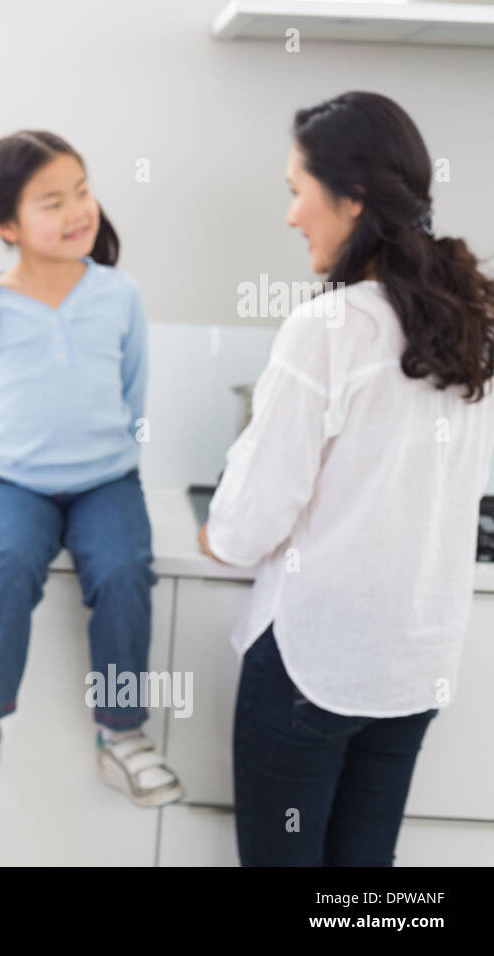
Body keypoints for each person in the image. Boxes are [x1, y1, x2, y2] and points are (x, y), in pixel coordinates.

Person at [200, 91, 494, 866]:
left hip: (314, 664)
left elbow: (247, 525)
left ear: (353, 198)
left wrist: (218, 530)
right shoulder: (475, 319)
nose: (292, 215)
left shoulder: (329, 327)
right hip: (414, 664)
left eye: (298, 191)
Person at [0, 130, 183, 808]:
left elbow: (134, 390)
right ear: (7, 224)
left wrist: (116, 453)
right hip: (14, 482)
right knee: (6, 565)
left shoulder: (118, 293)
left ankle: (123, 736)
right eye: (53, 201)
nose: (78, 211)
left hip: (107, 480)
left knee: (125, 572)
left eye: (82, 191)